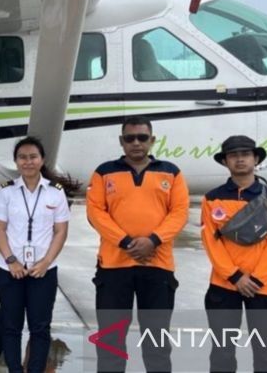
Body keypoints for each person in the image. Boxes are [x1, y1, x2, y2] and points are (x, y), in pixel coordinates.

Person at [86, 116, 189, 373]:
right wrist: (126, 242)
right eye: (129, 138)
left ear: (152, 140)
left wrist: (153, 241)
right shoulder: (104, 172)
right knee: (110, 340)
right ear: (122, 141)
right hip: (113, 268)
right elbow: (95, 212)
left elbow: (179, 212)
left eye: (142, 138)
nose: (136, 143)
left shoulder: (172, 172)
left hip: (157, 267)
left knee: (156, 340)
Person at [201, 135, 267, 373]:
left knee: (265, 354)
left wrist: (257, 279)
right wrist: (234, 276)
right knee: (222, 354)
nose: (240, 159)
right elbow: (211, 241)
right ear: (225, 162)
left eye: (245, 154)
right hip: (223, 287)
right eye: (233, 155)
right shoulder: (212, 199)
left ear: (255, 159)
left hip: (265, 288)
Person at [0, 136, 75, 373]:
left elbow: (60, 231)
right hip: (10, 271)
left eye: (33, 157)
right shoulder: (7, 192)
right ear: (16, 162)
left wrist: (46, 262)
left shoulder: (55, 192)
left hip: (43, 271)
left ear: (42, 160)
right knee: (11, 327)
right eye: (22, 157)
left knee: (40, 328)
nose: (28, 162)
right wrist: (11, 260)